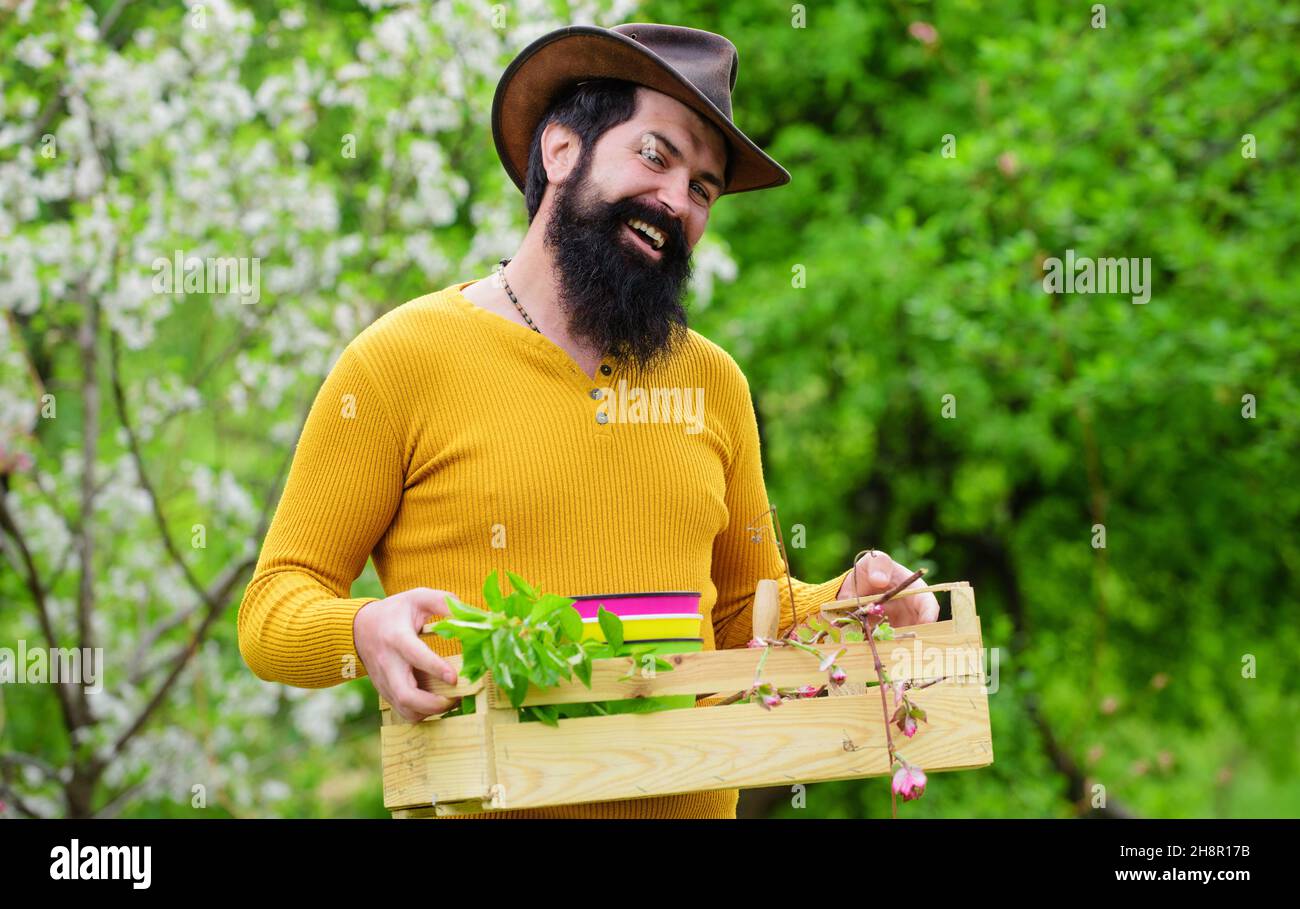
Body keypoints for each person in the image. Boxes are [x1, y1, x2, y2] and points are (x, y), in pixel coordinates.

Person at [237, 22, 939, 819]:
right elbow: (271, 609)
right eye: (656, 155)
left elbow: (749, 616)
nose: (677, 201)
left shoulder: (713, 384)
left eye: (704, 187)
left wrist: (852, 601)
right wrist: (362, 628)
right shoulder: (399, 361)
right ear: (563, 150)